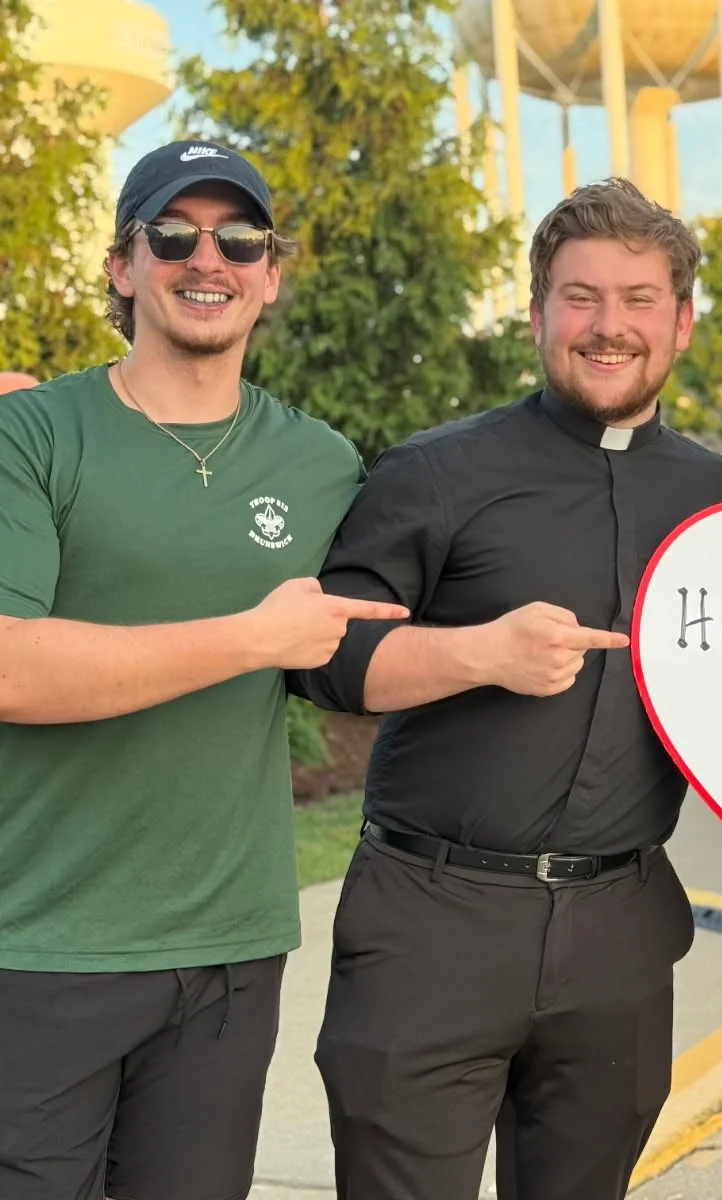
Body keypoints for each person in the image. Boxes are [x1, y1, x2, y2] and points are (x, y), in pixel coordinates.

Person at [290, 177, 722, 1200]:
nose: (608, 326)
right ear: (538, 314)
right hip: (431, 922)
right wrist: (477, 654)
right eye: (580, 298)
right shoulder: (439, 471)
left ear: (680, 321)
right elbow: (325, 657)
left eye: (637, 299)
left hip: (620, 931)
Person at [0, 139, 406, 1200]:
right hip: (39, 946)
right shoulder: (31, 433)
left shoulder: (321, 464)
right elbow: (9, 667)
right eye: (171, 235)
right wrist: (251, 636)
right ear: (121, 266)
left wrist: (510, 648)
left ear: (271, 273)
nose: (205, 259)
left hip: (228, 953)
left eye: (239, 238)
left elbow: (371, 647)